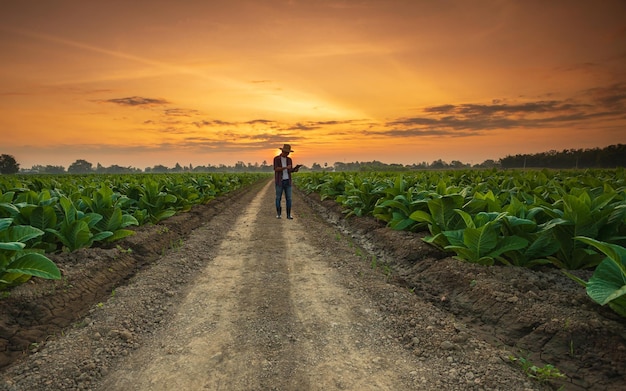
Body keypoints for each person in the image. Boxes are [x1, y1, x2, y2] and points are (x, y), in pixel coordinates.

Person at [273, 144, 301, 219]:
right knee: (278, 198)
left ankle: (288, 215)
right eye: (286, 152)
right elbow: (276, 169)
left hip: (287, 181)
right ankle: (279, 214)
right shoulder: (276, 159)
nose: (287, 154)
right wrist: (285, 167)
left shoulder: (289, 160)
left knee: (289, 199)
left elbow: (290, 170)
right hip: (279, 181)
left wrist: (294, 170)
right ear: (282, 151)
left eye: (288, 153)